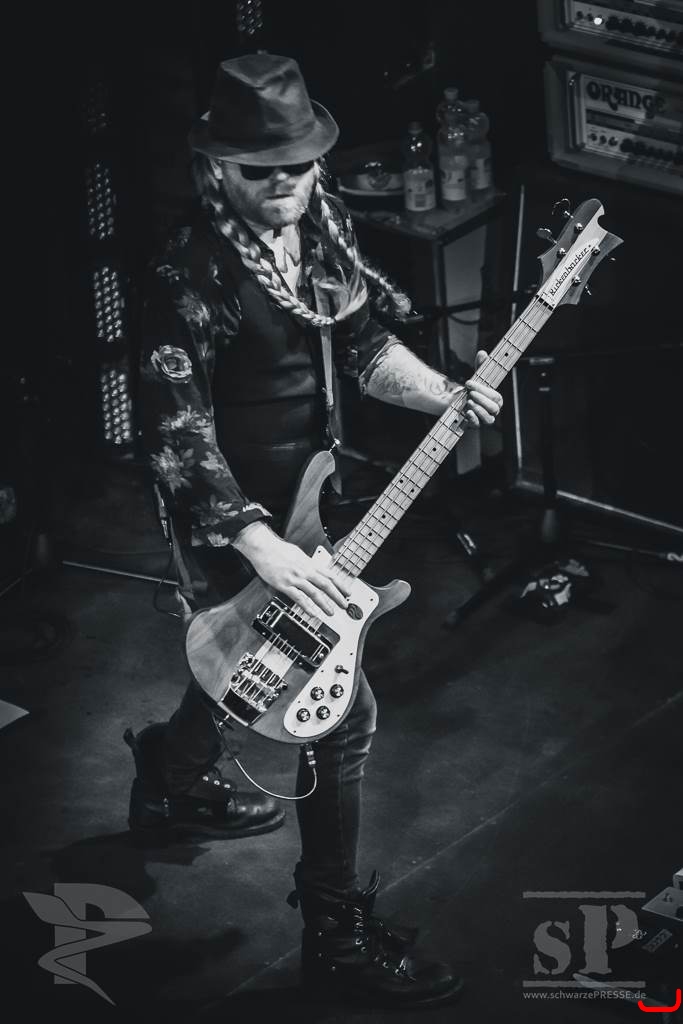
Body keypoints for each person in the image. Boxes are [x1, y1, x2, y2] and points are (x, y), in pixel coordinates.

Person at [126, 53, 503, 1008]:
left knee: (241, 660)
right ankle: (333, 933)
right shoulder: (186, 270)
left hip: (311, 498)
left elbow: (365, 344)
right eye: (262, 171)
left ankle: (170, 775)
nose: (285, 184)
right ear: (216, 167)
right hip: (230, 516)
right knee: (342, 714)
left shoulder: (319, 222)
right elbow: (176, 430)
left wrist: (444, 395)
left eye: (297, 164)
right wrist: (261, 546)